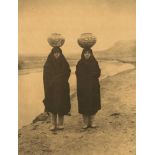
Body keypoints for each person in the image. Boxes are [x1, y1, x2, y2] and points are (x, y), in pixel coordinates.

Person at [43, 47, 71, 131]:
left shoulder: (64, 62)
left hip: (62, 88)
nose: (56, 54)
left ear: (60, 53)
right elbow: (46, 76)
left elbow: (67, 72)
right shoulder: (48, 63)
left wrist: (59, 79)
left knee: (61, 105)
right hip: (51, 88)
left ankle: (61, 124)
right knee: (52, 106)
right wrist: (52, 81)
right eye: (55, 53)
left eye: (58, 53)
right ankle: (53, 124)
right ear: (52, 53)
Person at [75, 48, 101, 129]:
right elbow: (77, 73)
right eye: (85, 53)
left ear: (91, 54)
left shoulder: (94, 62)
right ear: (83, 54)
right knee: (84, 104)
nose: (87, 54)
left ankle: (92, 122)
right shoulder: (80, 63)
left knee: (93, 103)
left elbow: (98, 72)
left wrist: (91, 76)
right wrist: (84, 78)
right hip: (83, 87)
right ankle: (85, 123)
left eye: (88, 53)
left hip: (93, 87)